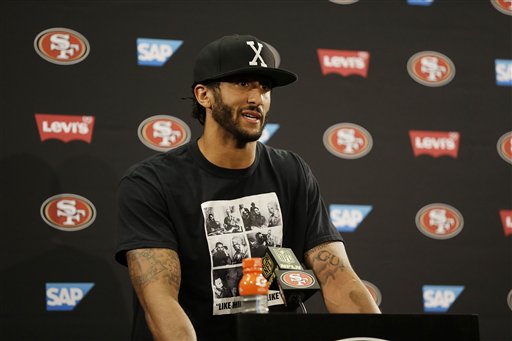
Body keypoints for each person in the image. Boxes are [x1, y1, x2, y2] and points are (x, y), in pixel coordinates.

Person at [115, 34, 380, 341]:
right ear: (204, 95)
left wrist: (375, 335)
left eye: (264, 87)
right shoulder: (151, 183)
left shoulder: (292, 172)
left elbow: (338, 277)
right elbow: (159, 302)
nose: (257, 98)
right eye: (243, 84)